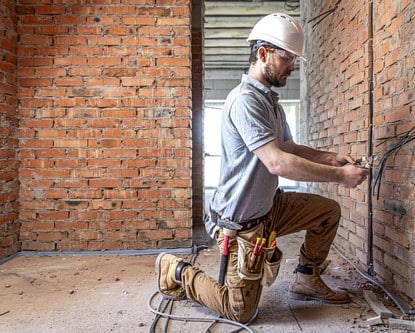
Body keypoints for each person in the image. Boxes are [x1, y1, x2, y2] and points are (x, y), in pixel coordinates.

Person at [155, 13, 369, 324]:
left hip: (270, 208)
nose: (292, 65)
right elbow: (277, 161)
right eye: (287, 58)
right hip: (240, 221)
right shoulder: (245, 101)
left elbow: (290, 149)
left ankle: (307, 278)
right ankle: (176, 269)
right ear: (263, 53)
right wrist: (340, 176)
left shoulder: (271, 103)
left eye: (294, 59)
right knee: (240, 311)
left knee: (327, 212)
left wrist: (332, 158)